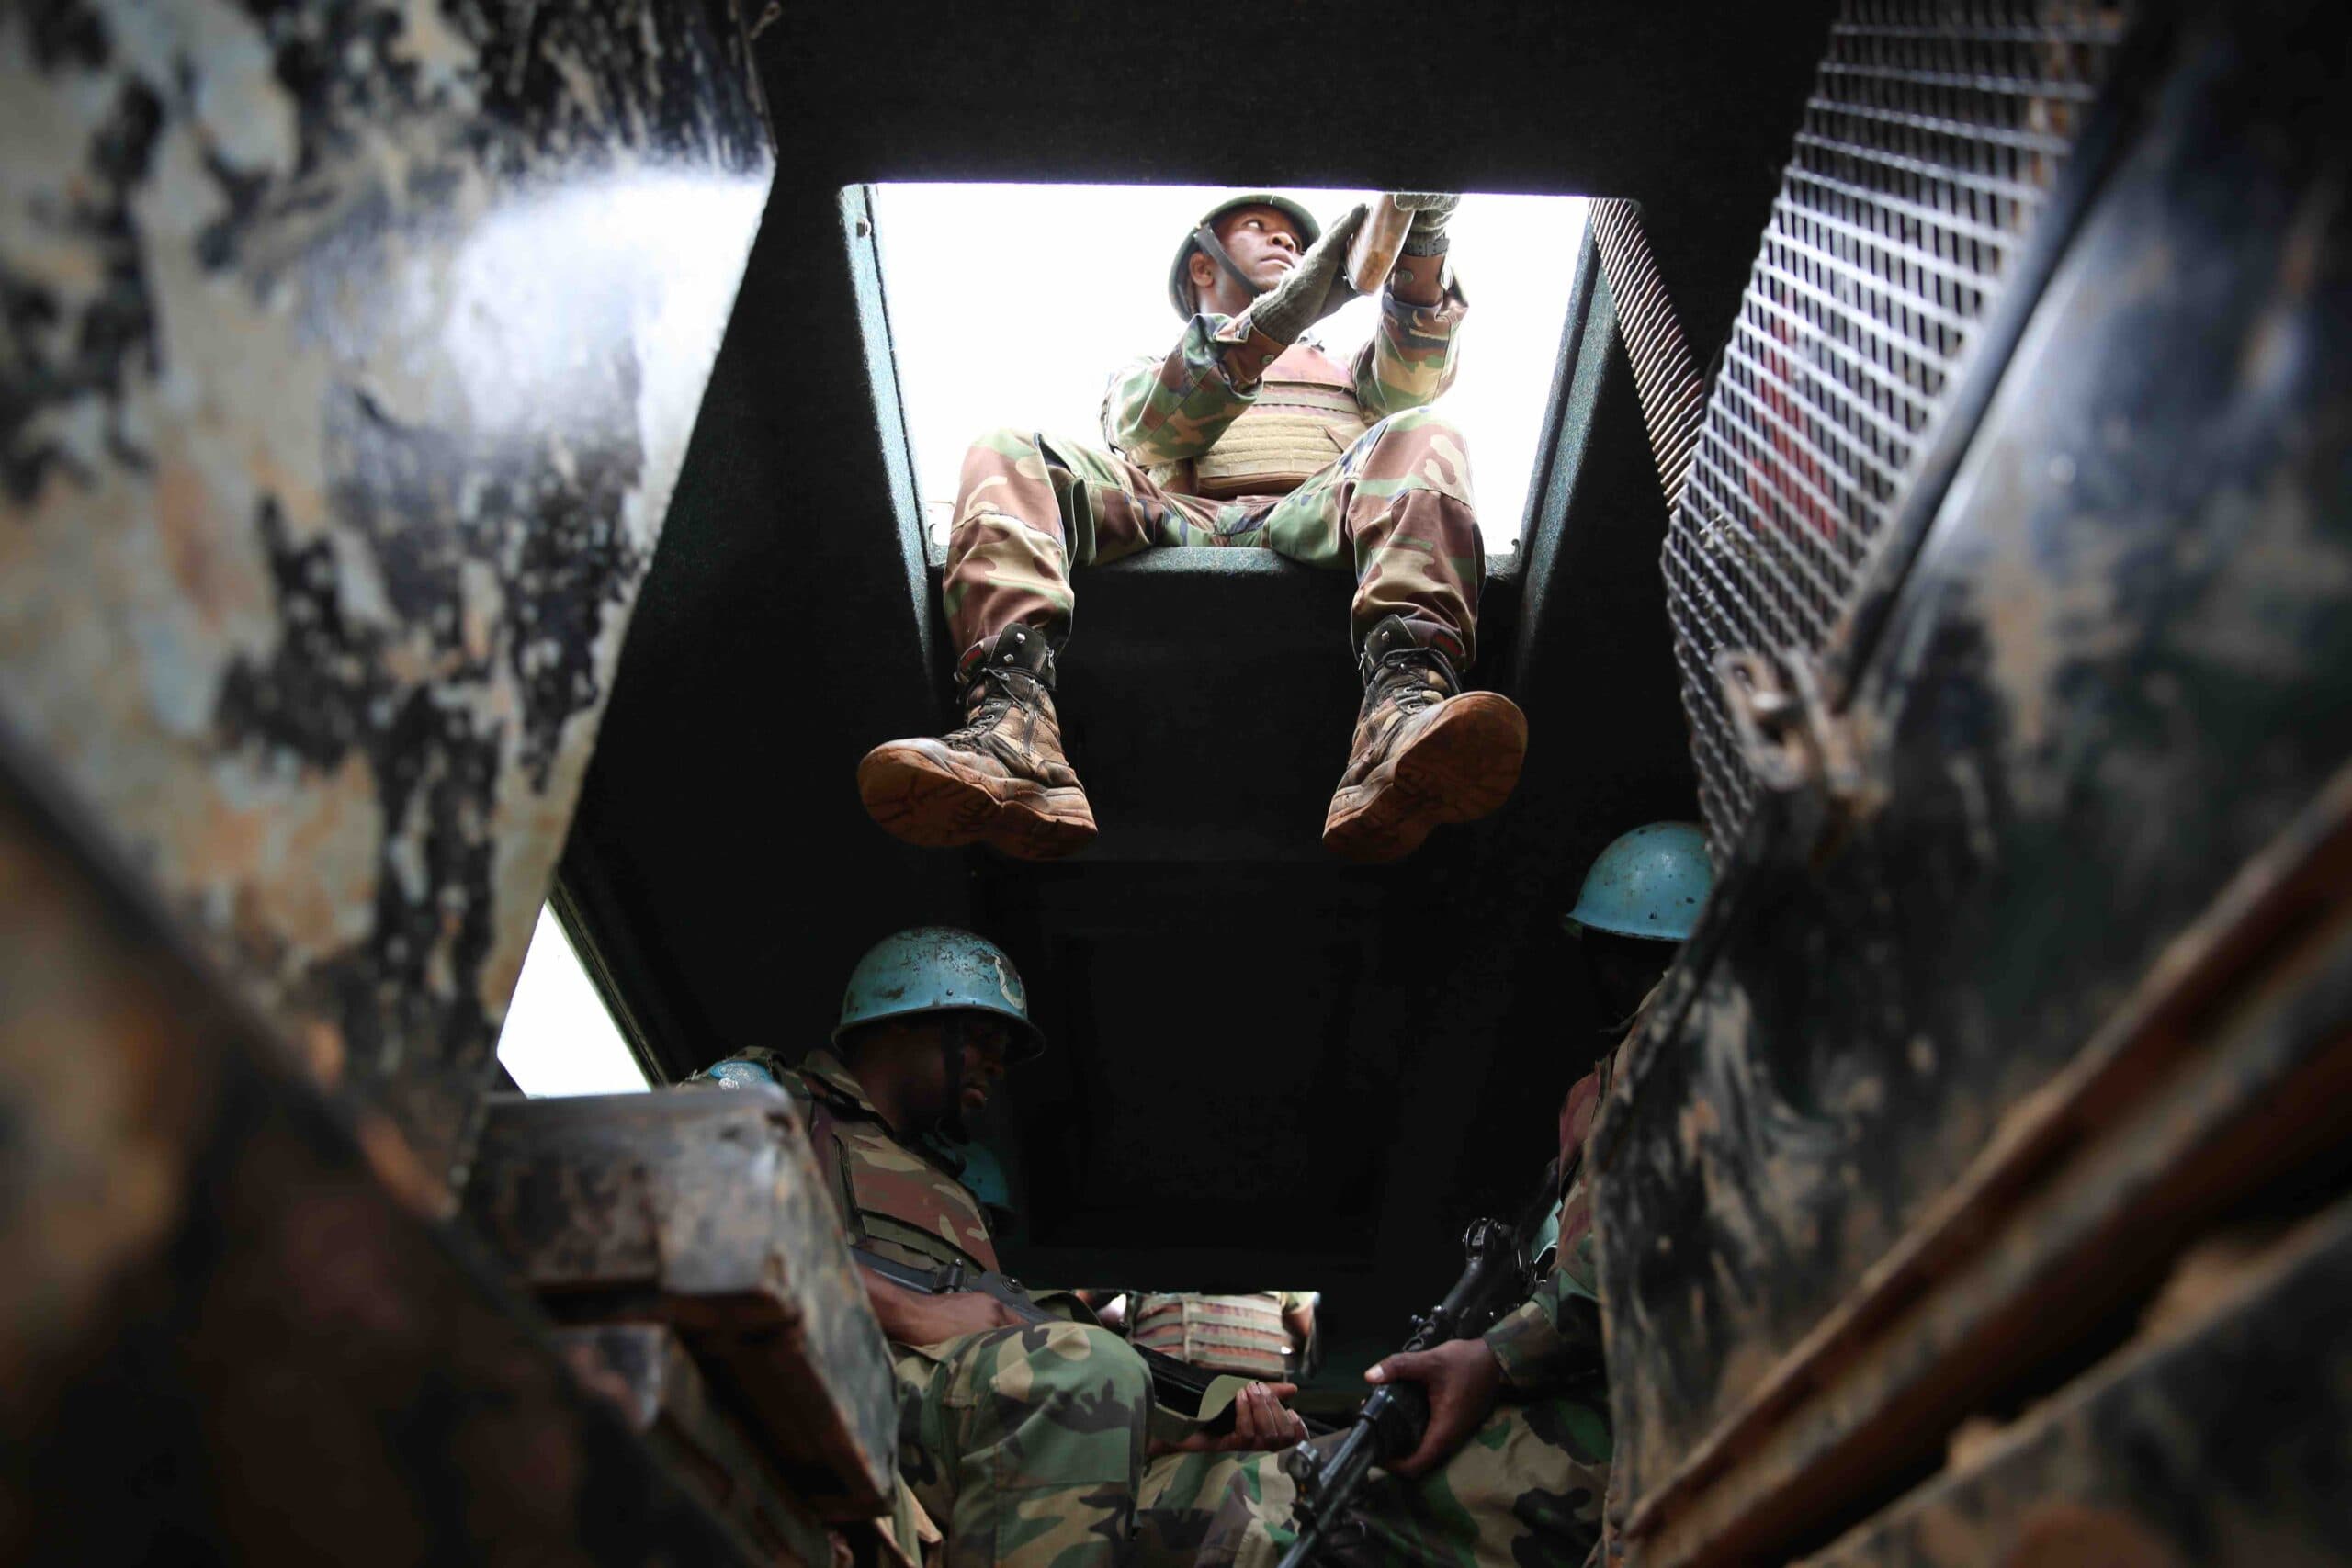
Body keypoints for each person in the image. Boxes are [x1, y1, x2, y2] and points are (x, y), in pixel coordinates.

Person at [857, 192, 1527, 864]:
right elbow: (1154, 426)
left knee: (1427, 434)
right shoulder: (1148, 370)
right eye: (1258, 229)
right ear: (1203, 268)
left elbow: (1413, 379)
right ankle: (1010, 727)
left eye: (1297, 240)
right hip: (1174, 515)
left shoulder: (1347, 376)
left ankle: (1403, 707)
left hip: (1314, 512)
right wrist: (1282, 315)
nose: (1285, 243)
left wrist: (1423, 241)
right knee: (1005, 445)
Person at [1180, 824, 1713, 1568]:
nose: (1614, 978)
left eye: (1624, 954)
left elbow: (1643, 1250)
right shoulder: (1613, 1084)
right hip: (1607, 1407)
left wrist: (1497, 1355)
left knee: (1263, 1509)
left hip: (1641, 1421)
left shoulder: (1693, 1034)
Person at [697, 926, 1308, 1568]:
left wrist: (1179, 1439)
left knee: (1259, 1486)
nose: (997, 1061)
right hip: (829, 1377)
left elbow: (1025, 1391)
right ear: (904, 1021)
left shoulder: (959, 1182)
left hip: (959, 1419)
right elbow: (663, 1198)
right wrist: (911, 1309)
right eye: (983, 1037)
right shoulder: (777, 1098)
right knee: (1078, 1361)